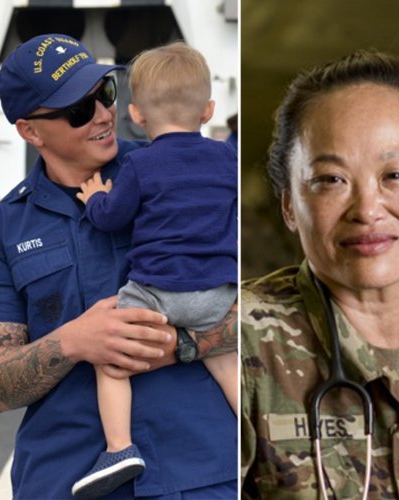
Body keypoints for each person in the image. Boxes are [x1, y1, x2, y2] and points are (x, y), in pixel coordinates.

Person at [0, 33, 237, 499]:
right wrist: (74, 342)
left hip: (203, 474)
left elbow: (260, 307)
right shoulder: (3, 227)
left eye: (105, 92)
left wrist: (178, 344)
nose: (105, 114)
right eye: (80, 109)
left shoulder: (178, 171)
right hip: (63, 481)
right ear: (30, 131)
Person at [240, 50, 399, 498]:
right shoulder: (241, 344)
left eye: (395, 174)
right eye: (331, 179)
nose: (367, 210)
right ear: (288, 206)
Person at [74, 42, 238, 498]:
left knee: (112, 364)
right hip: (216, 293)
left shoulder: (141, 165)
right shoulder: (228, 159)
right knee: (225, 361)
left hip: (156, 294)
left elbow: (113, 217)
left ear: (137, 116)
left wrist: (94, 200)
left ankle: (120, 447)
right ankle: (253, 430)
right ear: (208, 110)